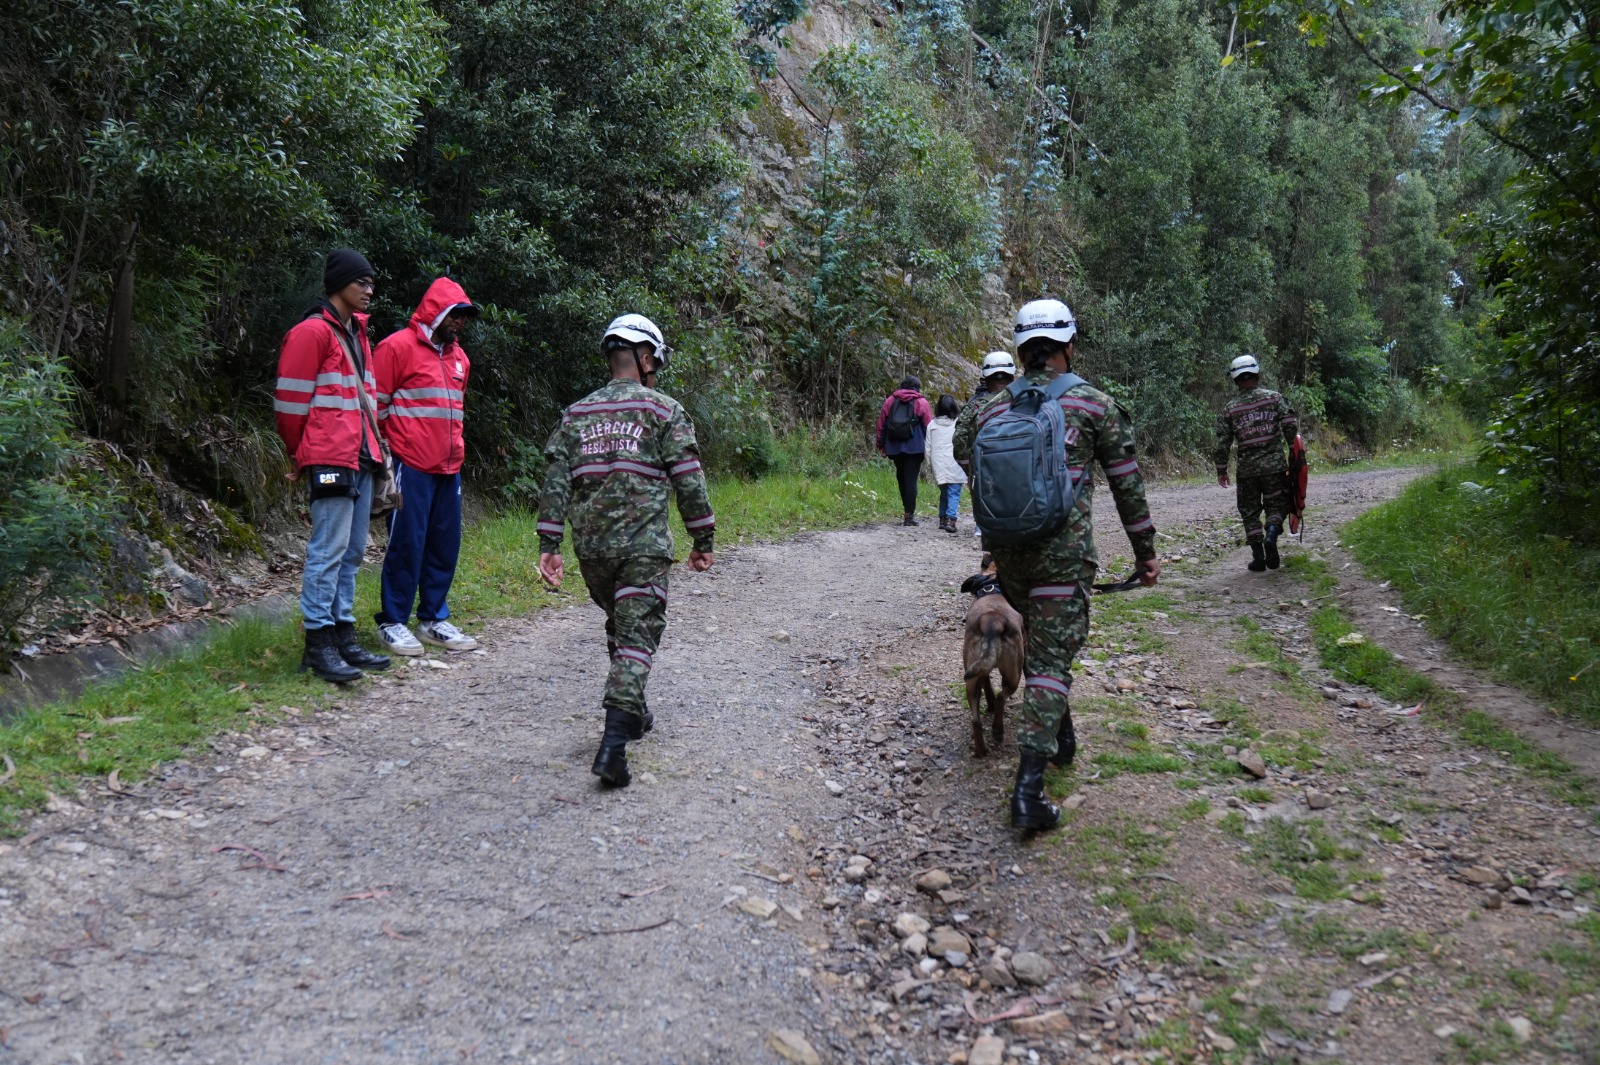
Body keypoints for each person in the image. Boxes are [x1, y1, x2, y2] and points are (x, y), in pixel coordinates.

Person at [954, 298, 1160, 831]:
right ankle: (1028, 793)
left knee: (1045, 649)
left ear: (1021, 350)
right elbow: (1127, 484)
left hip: (1010, 556)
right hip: (1063, 560)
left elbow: (967, 460)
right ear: (1069, 345)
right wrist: (1145, 554)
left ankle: (1062, 736)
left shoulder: (989, 409)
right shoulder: (1094, 405)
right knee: (1050, 663)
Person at [536, 314, 715, 788]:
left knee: (621, 623)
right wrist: (703, 538)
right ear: (646, 356)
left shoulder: (576, 414)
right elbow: (689, 479)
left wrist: (549, 544)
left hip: (592, 553)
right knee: (637, 636)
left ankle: (634, 715)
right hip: (643, 548)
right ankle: (614, 742)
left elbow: (556, 481)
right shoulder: (664, 410)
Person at [274, 249, 390, 683]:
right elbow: (289, 403)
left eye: (371, 282)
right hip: (327, 454)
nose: (369, 290)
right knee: (327, 550)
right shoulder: (311, 333)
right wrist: (296, 452)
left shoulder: (358, 335)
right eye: (362, 282)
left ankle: (343, 636)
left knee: (354, 551)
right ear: (340, 283)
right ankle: (318, 643)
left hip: (360, 455)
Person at [371, 277, 481, 656]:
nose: (461, 323)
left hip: (449, 467)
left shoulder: (460, 359)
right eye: (456, 315)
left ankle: (433, 618)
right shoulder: (396, 348)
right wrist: (390, 454)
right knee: (407, 543)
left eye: (465, 317)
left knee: (444, 544)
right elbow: (376, 408)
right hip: (409, 465)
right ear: (436, 311)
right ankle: (392, 621)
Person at [1214, 355, 1298, 572]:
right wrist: (1294, 453)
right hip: (1275, 467)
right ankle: (1271, 534)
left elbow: (1222, 442)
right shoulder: (1274, 398)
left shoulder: (1231, 408)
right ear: (1258, 375)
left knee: (1249, 511)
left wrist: (1221, 469)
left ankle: (1258, 558)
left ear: (1235, 380)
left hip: (1247, 471)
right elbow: (1289, 424)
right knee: (1277, 505)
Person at [876, 375, 934, 526]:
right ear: (917, 388)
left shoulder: (890, 401)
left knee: (901, 477)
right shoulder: (921, 402)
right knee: (910, 479)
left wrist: (881, 445)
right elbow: (929, 427)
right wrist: (931, 448)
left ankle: (907, 510)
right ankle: (909, 514)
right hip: (915, 448)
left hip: (894, 446)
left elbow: (882, 424)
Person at [926, 394, 966, 534]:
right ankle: (951, 520)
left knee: (944, 492)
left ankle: (942, 519)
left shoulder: (932, 424)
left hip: (938, 462)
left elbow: (928, 447)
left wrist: (930, 464)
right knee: (954, 492)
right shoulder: (958, 423)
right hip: (955, 461)